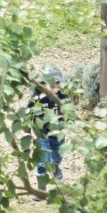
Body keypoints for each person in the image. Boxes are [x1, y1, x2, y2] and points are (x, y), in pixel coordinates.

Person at [27, 66, 69, 200]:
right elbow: (28, 114)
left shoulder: (63, 95)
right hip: (43, 133)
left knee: (57, 155)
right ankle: (41, 190)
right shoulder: (37, 97)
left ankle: (56, 166)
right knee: (43, 161)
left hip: (58, 132)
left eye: (58, 85)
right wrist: (27, 131)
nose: (56, 89)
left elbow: (71, 108)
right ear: (43, 84)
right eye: (52, 86)